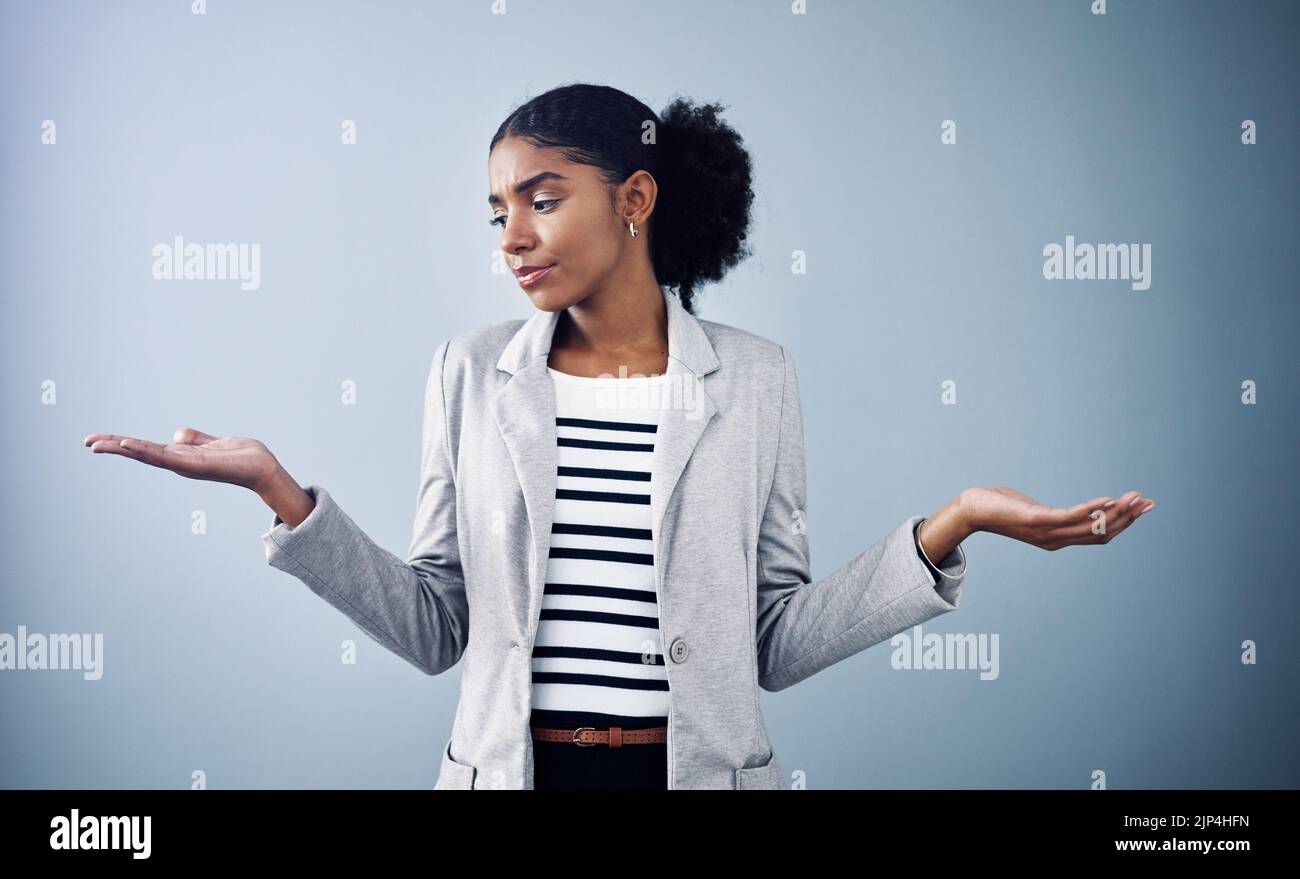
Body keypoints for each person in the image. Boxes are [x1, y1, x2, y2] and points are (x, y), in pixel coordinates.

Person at [83, 83, 1155, 790]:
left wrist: (953, 524)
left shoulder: (757, 379)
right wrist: (283, 495)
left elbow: (771, 645)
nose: (511, 236)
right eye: (496, 209)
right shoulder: (469, 373)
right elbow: (434, 629)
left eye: (541, 201)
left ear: (634, 198)